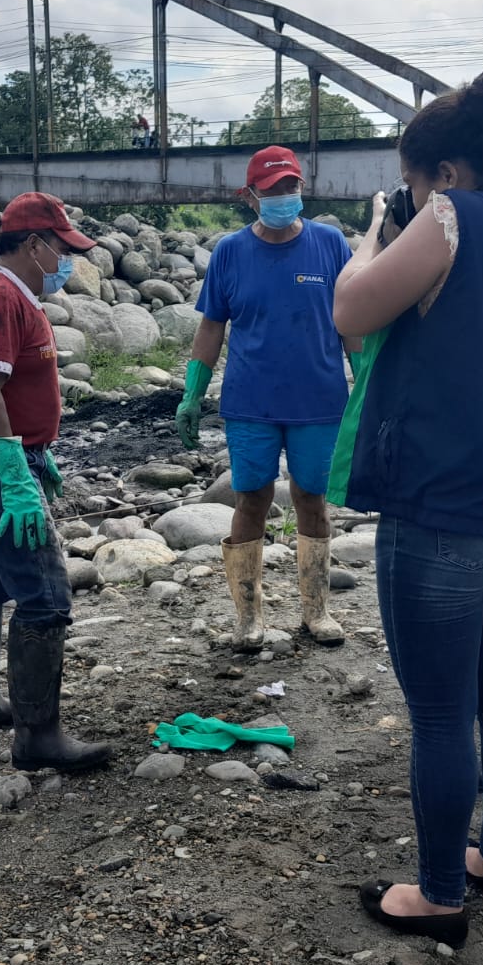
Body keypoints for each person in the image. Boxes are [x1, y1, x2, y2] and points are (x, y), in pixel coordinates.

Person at [330, 64, 483, 947]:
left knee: (440, 713)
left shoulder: (447, 216)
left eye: (411, 180)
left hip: (444, 507)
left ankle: (438, 896)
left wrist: (370, 238)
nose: (411, 196)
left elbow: (351, 312)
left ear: (442, 172)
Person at [0, 191, 113, 772]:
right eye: (64, 249)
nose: (69, 261)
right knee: (45, 597)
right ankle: (38, 738)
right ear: (34, 244)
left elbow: (7, 391)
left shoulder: (13, 295)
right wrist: (16, 476)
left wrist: (39, 452)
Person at [176, 145, 355, 650]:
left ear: (302, 187)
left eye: (291, 186)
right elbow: (212, 326)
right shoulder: (230, 252)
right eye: (272, 190)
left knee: (312, 498)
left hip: (319, 401)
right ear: (249, 196)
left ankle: (316, 610)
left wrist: (365, 379)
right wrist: (192, 392)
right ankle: (248, 617)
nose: (284, 196)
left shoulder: (329, 244)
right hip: (251, 402)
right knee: (251, 496)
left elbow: (351, 320)